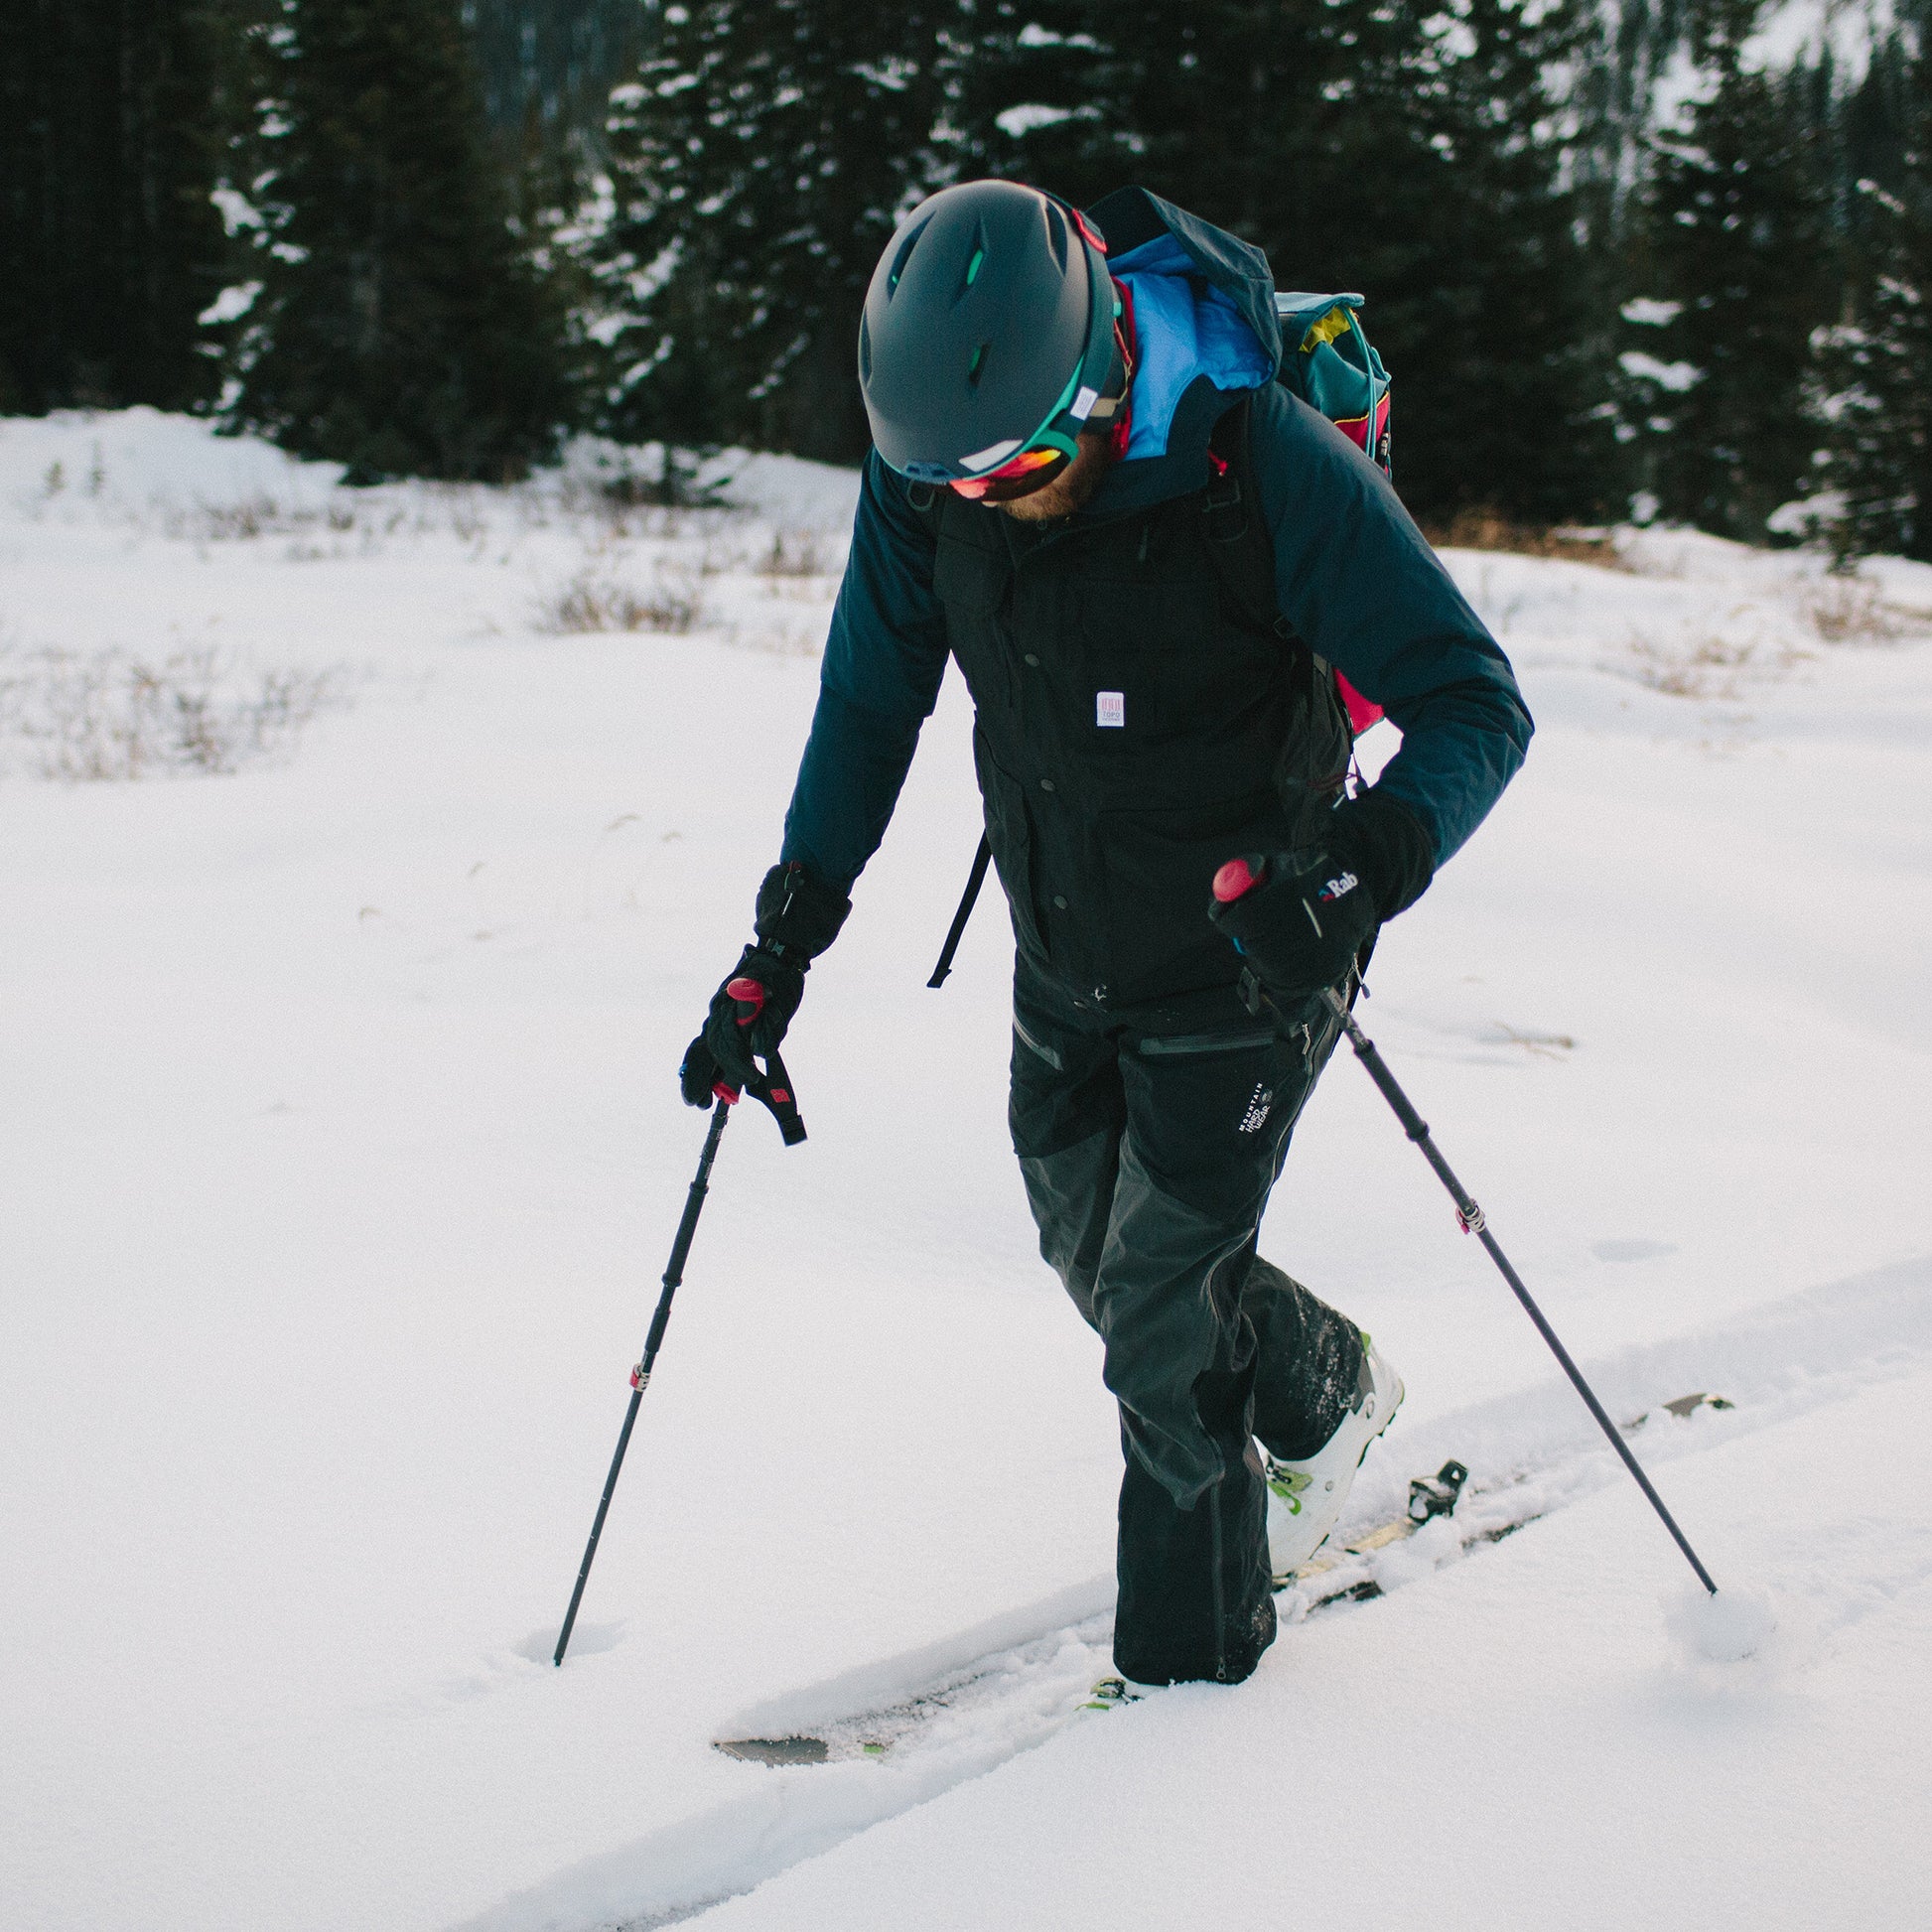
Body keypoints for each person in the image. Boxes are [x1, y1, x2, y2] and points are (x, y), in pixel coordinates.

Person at [679, 181, 1532, 1689]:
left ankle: (1186, 1684)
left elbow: (1474, 697)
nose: (984, 497)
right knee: (1094, 1250)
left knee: (1156, 1332)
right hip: (1063, 949)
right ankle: (1322, 1387)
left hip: (1253, 957)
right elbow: (871, 701)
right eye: (949, 476)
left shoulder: (1250, 461)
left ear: (1102, 376)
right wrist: (783, 941)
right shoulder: (935, 486)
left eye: (1015, 463)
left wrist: (1355, 873)